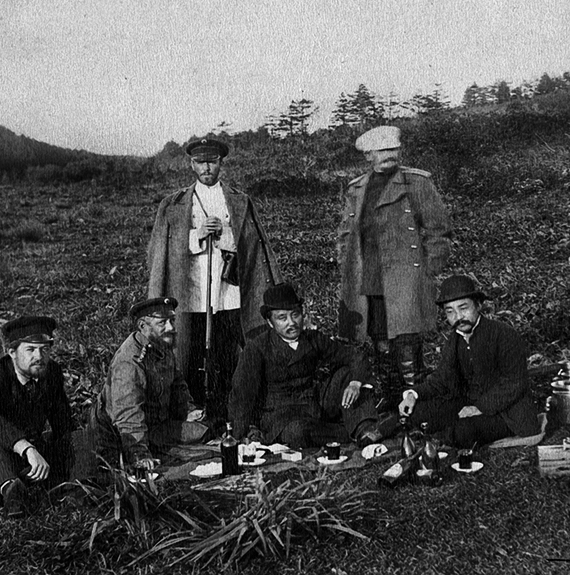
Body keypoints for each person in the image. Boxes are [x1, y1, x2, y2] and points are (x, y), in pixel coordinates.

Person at [144, 134, 272, 425]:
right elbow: (163, 249)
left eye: (212, 162)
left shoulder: (239, 201)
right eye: (200, 163)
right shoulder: (173, 204)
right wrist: (198, 235)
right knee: (190, 353)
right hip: (192, 292)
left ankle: (231, 413)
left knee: (227, 353)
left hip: (227, 291)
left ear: (221, 163)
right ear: (191, 164)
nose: (206, 168)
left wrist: (224, 235)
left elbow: (251, 242)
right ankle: (193, 413)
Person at [338, 125, 453, 397]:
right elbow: (346, 233)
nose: (390, 155)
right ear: (368, 155)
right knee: (380, 344)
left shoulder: (417, 182)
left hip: (405, 280)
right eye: (382, 150)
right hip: (369, 280)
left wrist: (427, 270)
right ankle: (391, 402)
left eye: (393, 149)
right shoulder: (357, 189)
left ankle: (417, 404)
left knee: (407, 343)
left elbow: (439, 230)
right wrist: (346, 266)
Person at [0, 316, 94, 518]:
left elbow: (62, 420)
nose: (39, 356)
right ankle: (11, 492)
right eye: (30, 350)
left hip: (29, 450)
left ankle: (76, 490)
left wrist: (69, 450)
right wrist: (26, 448)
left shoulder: (51, 372)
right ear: (12, 353)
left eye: (45, 349)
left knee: (78, 436)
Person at [397, 275, 544, 449]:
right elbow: (441, 380)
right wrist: (413, 395)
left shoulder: (503, 334)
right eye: (450, 311)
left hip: (507, 412)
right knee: (418, 413)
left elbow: (514, 383)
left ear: (478, 305)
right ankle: (447, 433)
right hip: (469, 404)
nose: (458, 317)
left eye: (463, 308)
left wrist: (480, 408)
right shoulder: (454, 340)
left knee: (462, 432)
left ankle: (450, 435)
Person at [229, 283, 376, 448]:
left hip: (313, 406)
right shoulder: (257, 347)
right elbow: (242, 393)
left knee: (347, 374)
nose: (291, 323)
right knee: (297, 432)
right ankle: (351, 431)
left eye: (295, 315)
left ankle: (365, 428)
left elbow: (354, 355)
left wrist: (355, 383)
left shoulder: (312, 338)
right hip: (281, 417)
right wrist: (239, 435)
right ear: (270, 322)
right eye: (282, 318)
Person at [86, 298, 205, 476]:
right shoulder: (130, 362)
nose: (171, 328)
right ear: (143, 326)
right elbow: (127, 415)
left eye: (172, 320)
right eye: (162, 323)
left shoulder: (161, 347)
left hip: (153, 425)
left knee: (204, 433)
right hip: (117, 438)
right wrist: (139, 454)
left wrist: (187, 410)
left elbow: (178, 385)